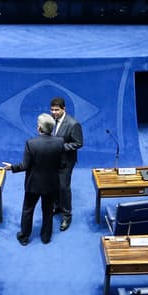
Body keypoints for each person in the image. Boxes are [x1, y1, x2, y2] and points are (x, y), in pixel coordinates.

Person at [3, 113, 64, 245]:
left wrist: (12, 167)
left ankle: (24, 237)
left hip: (33, 185)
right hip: (51, 184)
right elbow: (61, 165)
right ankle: (46, 237)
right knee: (48, 211)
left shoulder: (31, 143)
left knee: (28, 210)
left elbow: (25, 166)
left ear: (39, 129)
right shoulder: (60, 142)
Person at [50, 96, 83, 231]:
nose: (54, 112)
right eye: (52, 110)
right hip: (53, 159)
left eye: (57, 110)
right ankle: (57, 206)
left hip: (66, 161)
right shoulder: (52, 121)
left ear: (64, 109)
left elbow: (78, 143)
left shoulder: (73, 124)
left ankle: (67, 216)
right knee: (54, 185)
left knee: (64, 187)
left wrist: (61, 147)